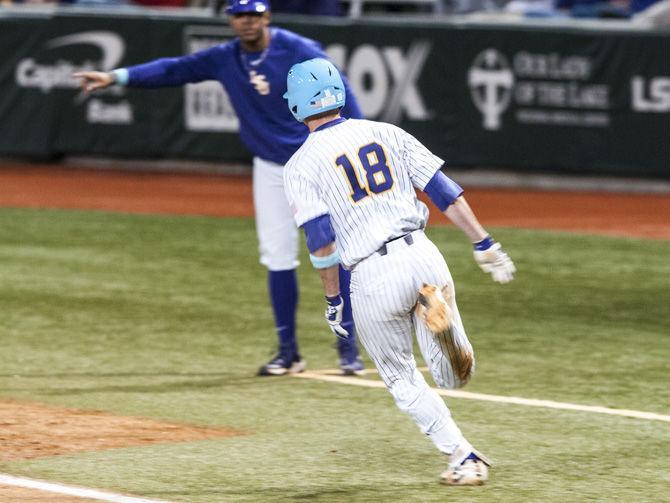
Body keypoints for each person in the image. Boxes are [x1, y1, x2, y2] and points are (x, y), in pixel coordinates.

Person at [73, 0, 365, 377]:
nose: (247, 22)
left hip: (317, 162)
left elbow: (343, 95)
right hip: (271, 169)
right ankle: (288, 353)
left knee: (335, 251)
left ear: (267, 17)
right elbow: (172, 70)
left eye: (254, 15)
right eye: (239, 15)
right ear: (231, 19)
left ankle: (348, 348)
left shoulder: (299, 50)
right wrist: (117, 77)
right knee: (277, 256)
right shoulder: (225, 57)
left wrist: (356, 143)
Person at [282, 58, 516, 485]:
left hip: (373, 274)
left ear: (296, 106)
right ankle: (442, 324)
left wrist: (334, 299)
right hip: (424, 256)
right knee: (451, 377)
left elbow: (321, 241)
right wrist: (484, 243)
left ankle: (463, 457)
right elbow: (444, 192)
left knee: (401, 377)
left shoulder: (300, 165)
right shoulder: (387, 132)